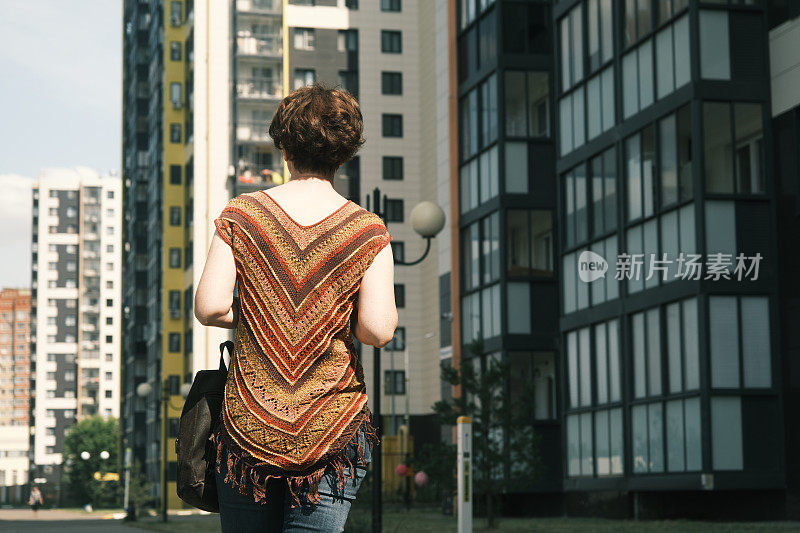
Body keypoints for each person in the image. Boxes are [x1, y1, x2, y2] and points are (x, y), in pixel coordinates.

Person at [195, 83, 398, 532]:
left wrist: (267, 312)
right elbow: (378, 330)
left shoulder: (242, 214)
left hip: (248, 423)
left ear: (284, 146)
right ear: (345, 153)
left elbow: (210, 307)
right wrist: (319, 316)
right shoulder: (367, 230)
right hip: (331, 427)